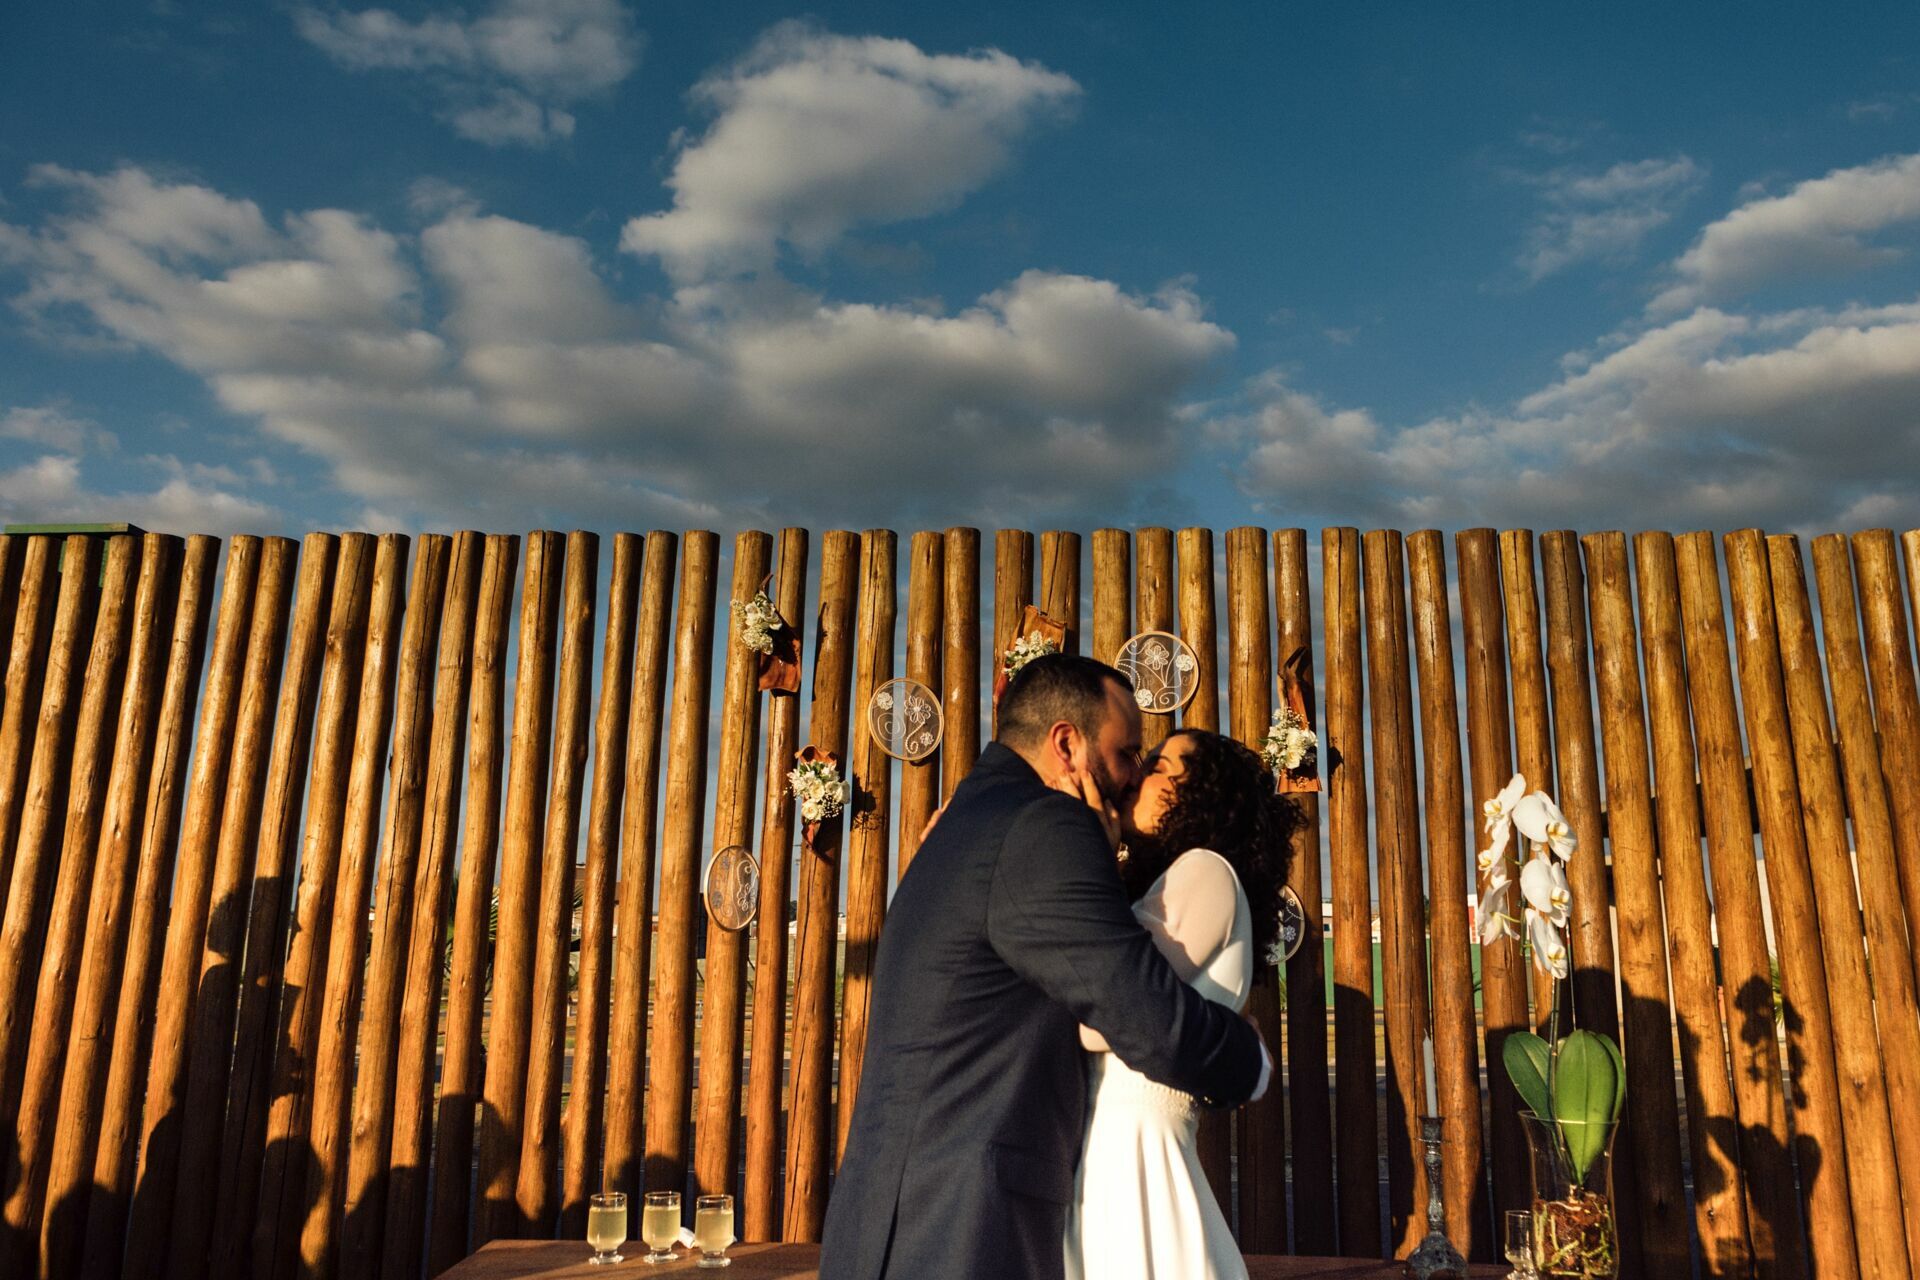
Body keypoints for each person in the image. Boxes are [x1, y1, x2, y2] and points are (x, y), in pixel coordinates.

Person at [820, 655, 1270, 1280]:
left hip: (904, 1213)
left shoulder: (969, 821)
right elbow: (1137, 1010)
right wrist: (1250, 1061)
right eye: (1126, 753)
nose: (1131, 775)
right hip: (959, 1228)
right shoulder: (1047, 826)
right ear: (1067, 744)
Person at [1063, 729, 1294, 1280]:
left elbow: (1110, 1012)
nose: (1136, 776)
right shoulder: (1169, 881)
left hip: (1133, 1157)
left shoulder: (1205, 870)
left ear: (1203, 795)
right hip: (1111, 1154)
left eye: (1160, 766)